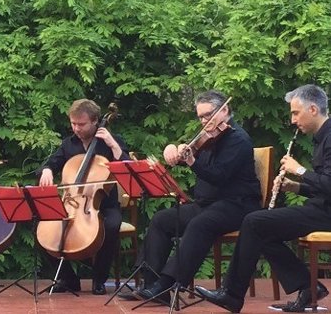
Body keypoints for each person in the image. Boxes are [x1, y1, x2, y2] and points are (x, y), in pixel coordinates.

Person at [196, 84, 331, 313]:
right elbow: (323, 187)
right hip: (320, 207)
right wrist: (294, 187)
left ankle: (232, 294)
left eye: (295, 113)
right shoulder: (321, 137)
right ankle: (308, 287)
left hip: (326, 213)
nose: (292, 120)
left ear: (313, 110)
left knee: (253, 221)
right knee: (262, 227)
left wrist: (299, 170)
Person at [132, 90, 262, 303]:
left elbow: (219, 176)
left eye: (208, 115)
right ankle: (151, 283)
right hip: (208, 204)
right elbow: (186, 152)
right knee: (162, 219)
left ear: (225, 110)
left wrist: (193, 161)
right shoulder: (209, 137)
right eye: (200, 116)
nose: (204, 121)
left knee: (200, 224)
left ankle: (168, 283)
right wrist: (173, 149)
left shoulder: (238, 139)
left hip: (237, 204)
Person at [38, 98, 130, 295]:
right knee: (43, 226)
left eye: (81, 124)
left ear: (95, 121)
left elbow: (128, 167)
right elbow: (50, 163)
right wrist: (46, 170)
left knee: (112, 226)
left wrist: (113, 144)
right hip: (73, 203)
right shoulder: (68, 144)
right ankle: (68, 279)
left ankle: (99, 280)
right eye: (73, 124)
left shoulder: (112, 141)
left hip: (106, 204)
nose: (76, 129)